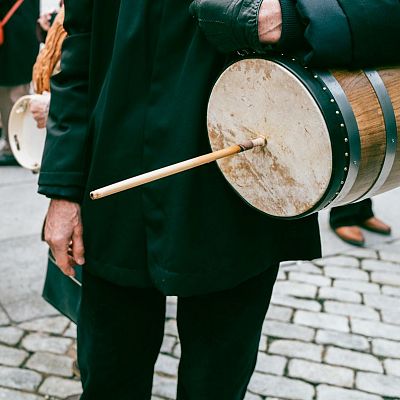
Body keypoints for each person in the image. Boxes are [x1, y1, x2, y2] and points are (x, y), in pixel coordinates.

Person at [38, 1, 400, 399]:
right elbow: (80, 50)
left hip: (241, 186)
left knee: (216, 385)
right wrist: (62, 190)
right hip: (115, 182)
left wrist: (294, 16)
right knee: (109, 379)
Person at [0, 0, 39, 165]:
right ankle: (15, 144)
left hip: (14, 36)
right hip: (17, 32)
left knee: (14, 95)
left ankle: (18, 146)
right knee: (12, 94)